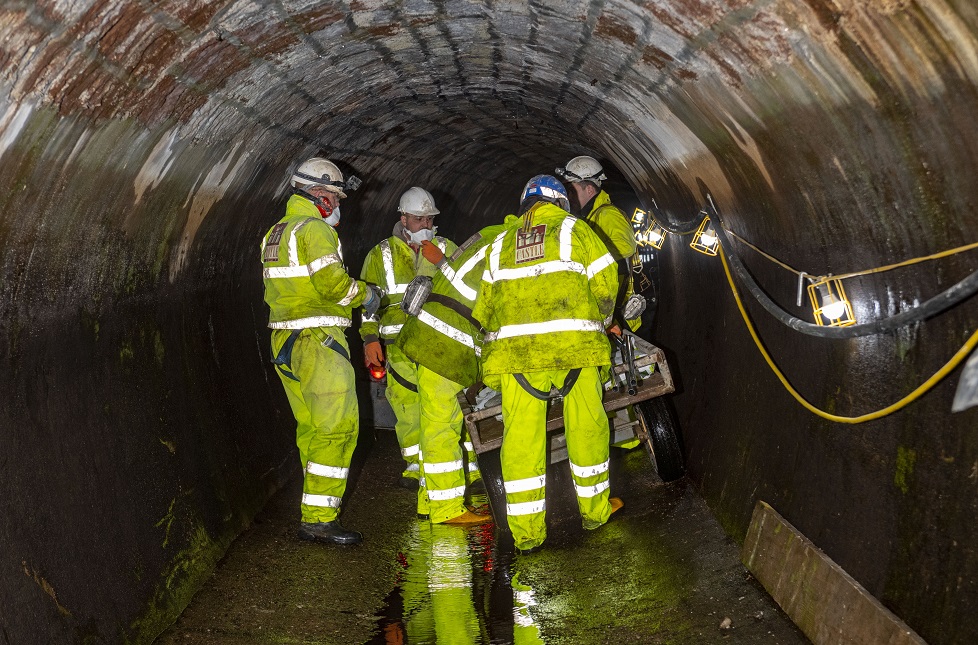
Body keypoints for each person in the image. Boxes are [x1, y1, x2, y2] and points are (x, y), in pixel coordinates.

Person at [471, 175, 624, 553]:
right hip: (576, 350)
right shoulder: (576, 229)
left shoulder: (499, 243)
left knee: (521, 441)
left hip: (518, 359)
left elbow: (484, 309)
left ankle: (527, 534)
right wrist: (601, 320)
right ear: (560, 202)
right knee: (587, 429)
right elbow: (607, 283)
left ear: (525, 204)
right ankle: (595, 513)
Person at [260, 157, 382, 546]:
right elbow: (333, 285)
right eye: (333, 195)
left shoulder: (276, 232)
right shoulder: (314, 230)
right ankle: (319, 519)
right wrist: (368, 295)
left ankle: (312, 509)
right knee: (337, 428)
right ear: (318, 195)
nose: (337, 203)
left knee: (311, 428)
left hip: (283, 341)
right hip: (318, 340)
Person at [396, 218, 519, 524]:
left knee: (435, 423)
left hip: (431, 332)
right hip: (444, 340)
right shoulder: (511, 247)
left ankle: (429, 502)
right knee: (442, 426)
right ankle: (446, 509)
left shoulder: (491, 233)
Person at [360, 188, 458, 489]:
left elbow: (468, 290)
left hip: (438, 345)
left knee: (445, 406)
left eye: (430, 219)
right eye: (418, 219)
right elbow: (368, 302)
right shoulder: (381, 254)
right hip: (398, 347)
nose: (425, 225)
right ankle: (416, 467)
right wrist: (369, 339)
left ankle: (458, 466)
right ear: (403, 218)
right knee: (406, 407)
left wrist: (443, 262)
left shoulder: (447, 247)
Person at [556, 155, 643, 332]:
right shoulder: (588, 218)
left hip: (621, 314)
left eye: (573, 191)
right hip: (607, 311)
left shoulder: (607, 214)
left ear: (589, 190)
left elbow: (626, 248)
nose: (569, 197)